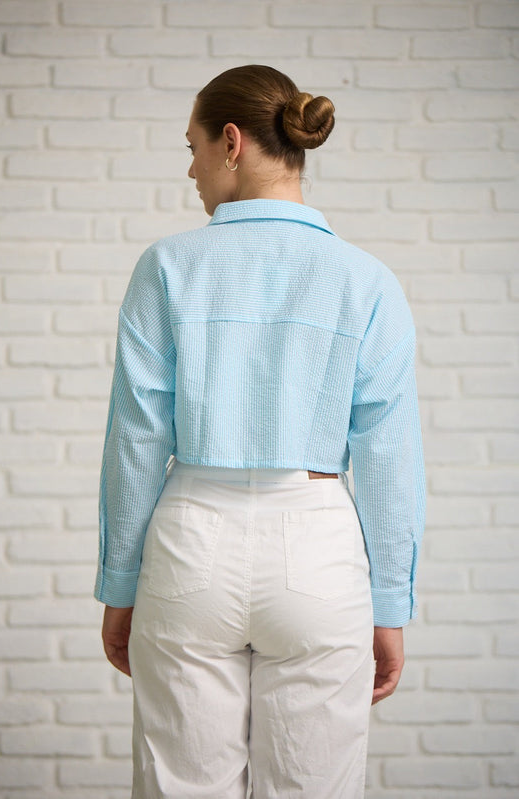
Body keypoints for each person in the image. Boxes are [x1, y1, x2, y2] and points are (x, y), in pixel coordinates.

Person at [95, 64, 426, 799]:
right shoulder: (366, 279)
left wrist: (120, 584)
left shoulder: (166, 267)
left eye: (193, 148)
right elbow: (388, 455)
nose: (191, 170)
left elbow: (137, 439)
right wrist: (390, 605)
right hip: (318, 549)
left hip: (189, 546)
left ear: (232, 141)